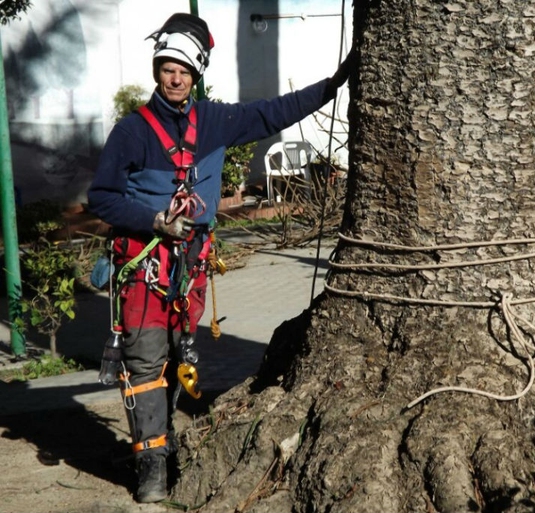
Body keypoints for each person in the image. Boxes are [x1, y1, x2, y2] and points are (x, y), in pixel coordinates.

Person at [87, 12, 351, 503]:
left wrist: (332, 85)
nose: (175, 78)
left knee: (175, 355)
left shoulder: (214, 121)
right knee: (144, 358)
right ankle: (150, 471)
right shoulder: (132, 131)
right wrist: (154, 221)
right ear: (157, 70)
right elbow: (102, 198)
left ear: (197, 75)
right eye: (168, 69)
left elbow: (272, 113)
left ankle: (162, 448)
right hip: (145, 263)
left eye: (184, 71)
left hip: (189, 267)